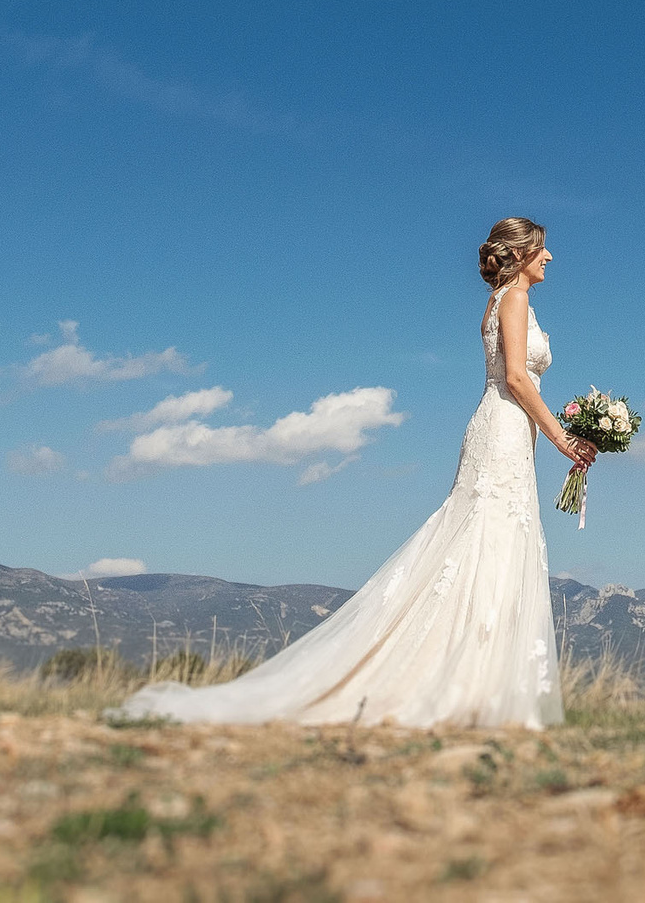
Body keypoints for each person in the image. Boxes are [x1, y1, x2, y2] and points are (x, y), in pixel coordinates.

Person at [112, 218, 595, 728]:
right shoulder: (514, 300)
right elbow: (517, 378)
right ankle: (458, 685)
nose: (550, 258)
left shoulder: (501, 303)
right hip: (503, 428)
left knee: (489, 541)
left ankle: (478, 683)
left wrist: (566, 427)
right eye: (542, 249)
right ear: (519, 254)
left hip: (510, 431)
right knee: (487, 537)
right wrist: (564, 439)